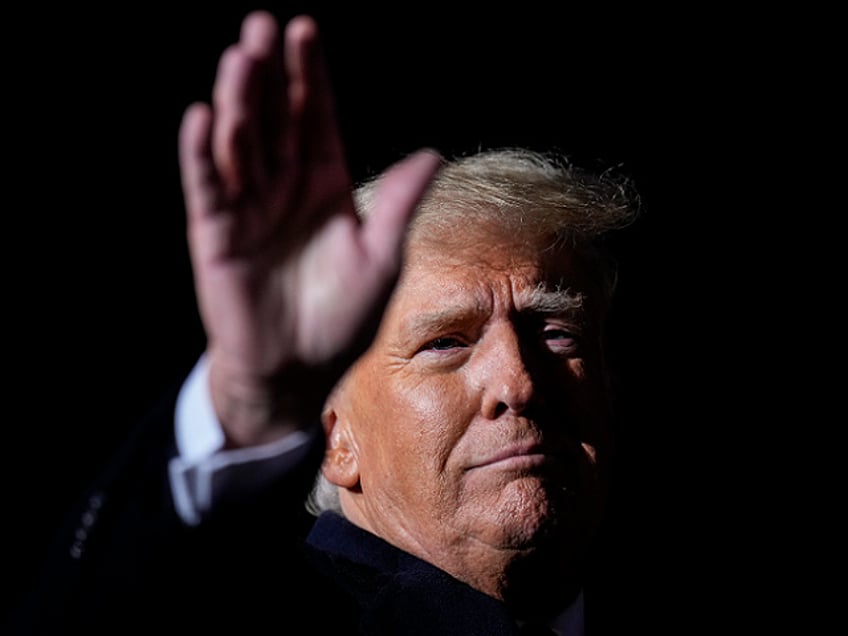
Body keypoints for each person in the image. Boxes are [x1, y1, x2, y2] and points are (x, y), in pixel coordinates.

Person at [11, 10, 640, 636]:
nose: (519, 383)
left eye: (557, 333)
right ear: (337, 439)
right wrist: (248, 405)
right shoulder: (256, 613)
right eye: (444, 342)